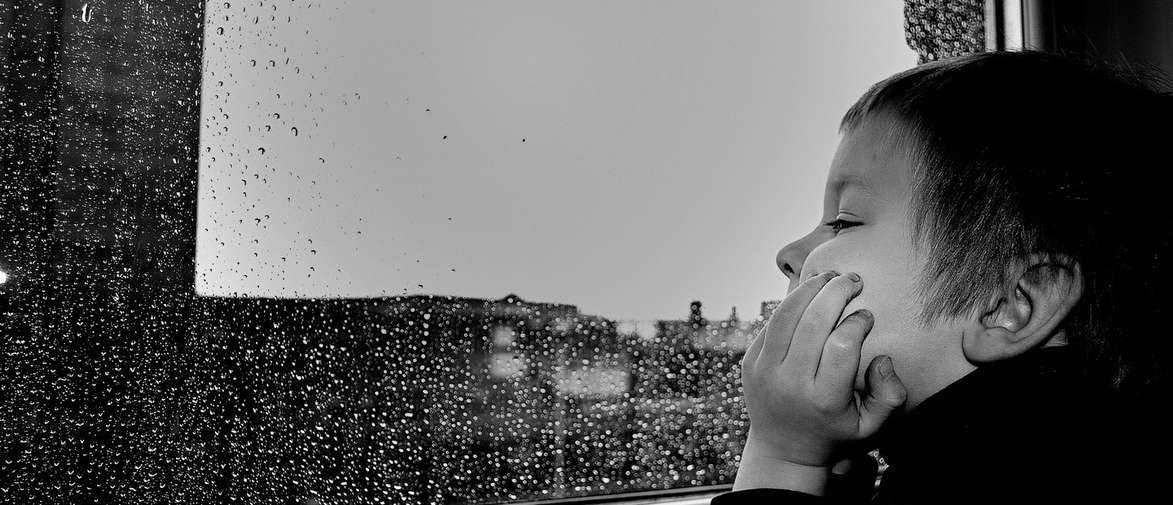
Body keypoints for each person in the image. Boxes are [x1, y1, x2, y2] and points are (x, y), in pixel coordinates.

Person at [712, 50, 1173, 504]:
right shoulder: (1077, 437)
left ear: (1010, 304)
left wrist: (785, 458)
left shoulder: (994, 475)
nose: (788, 255)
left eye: (845, 220)